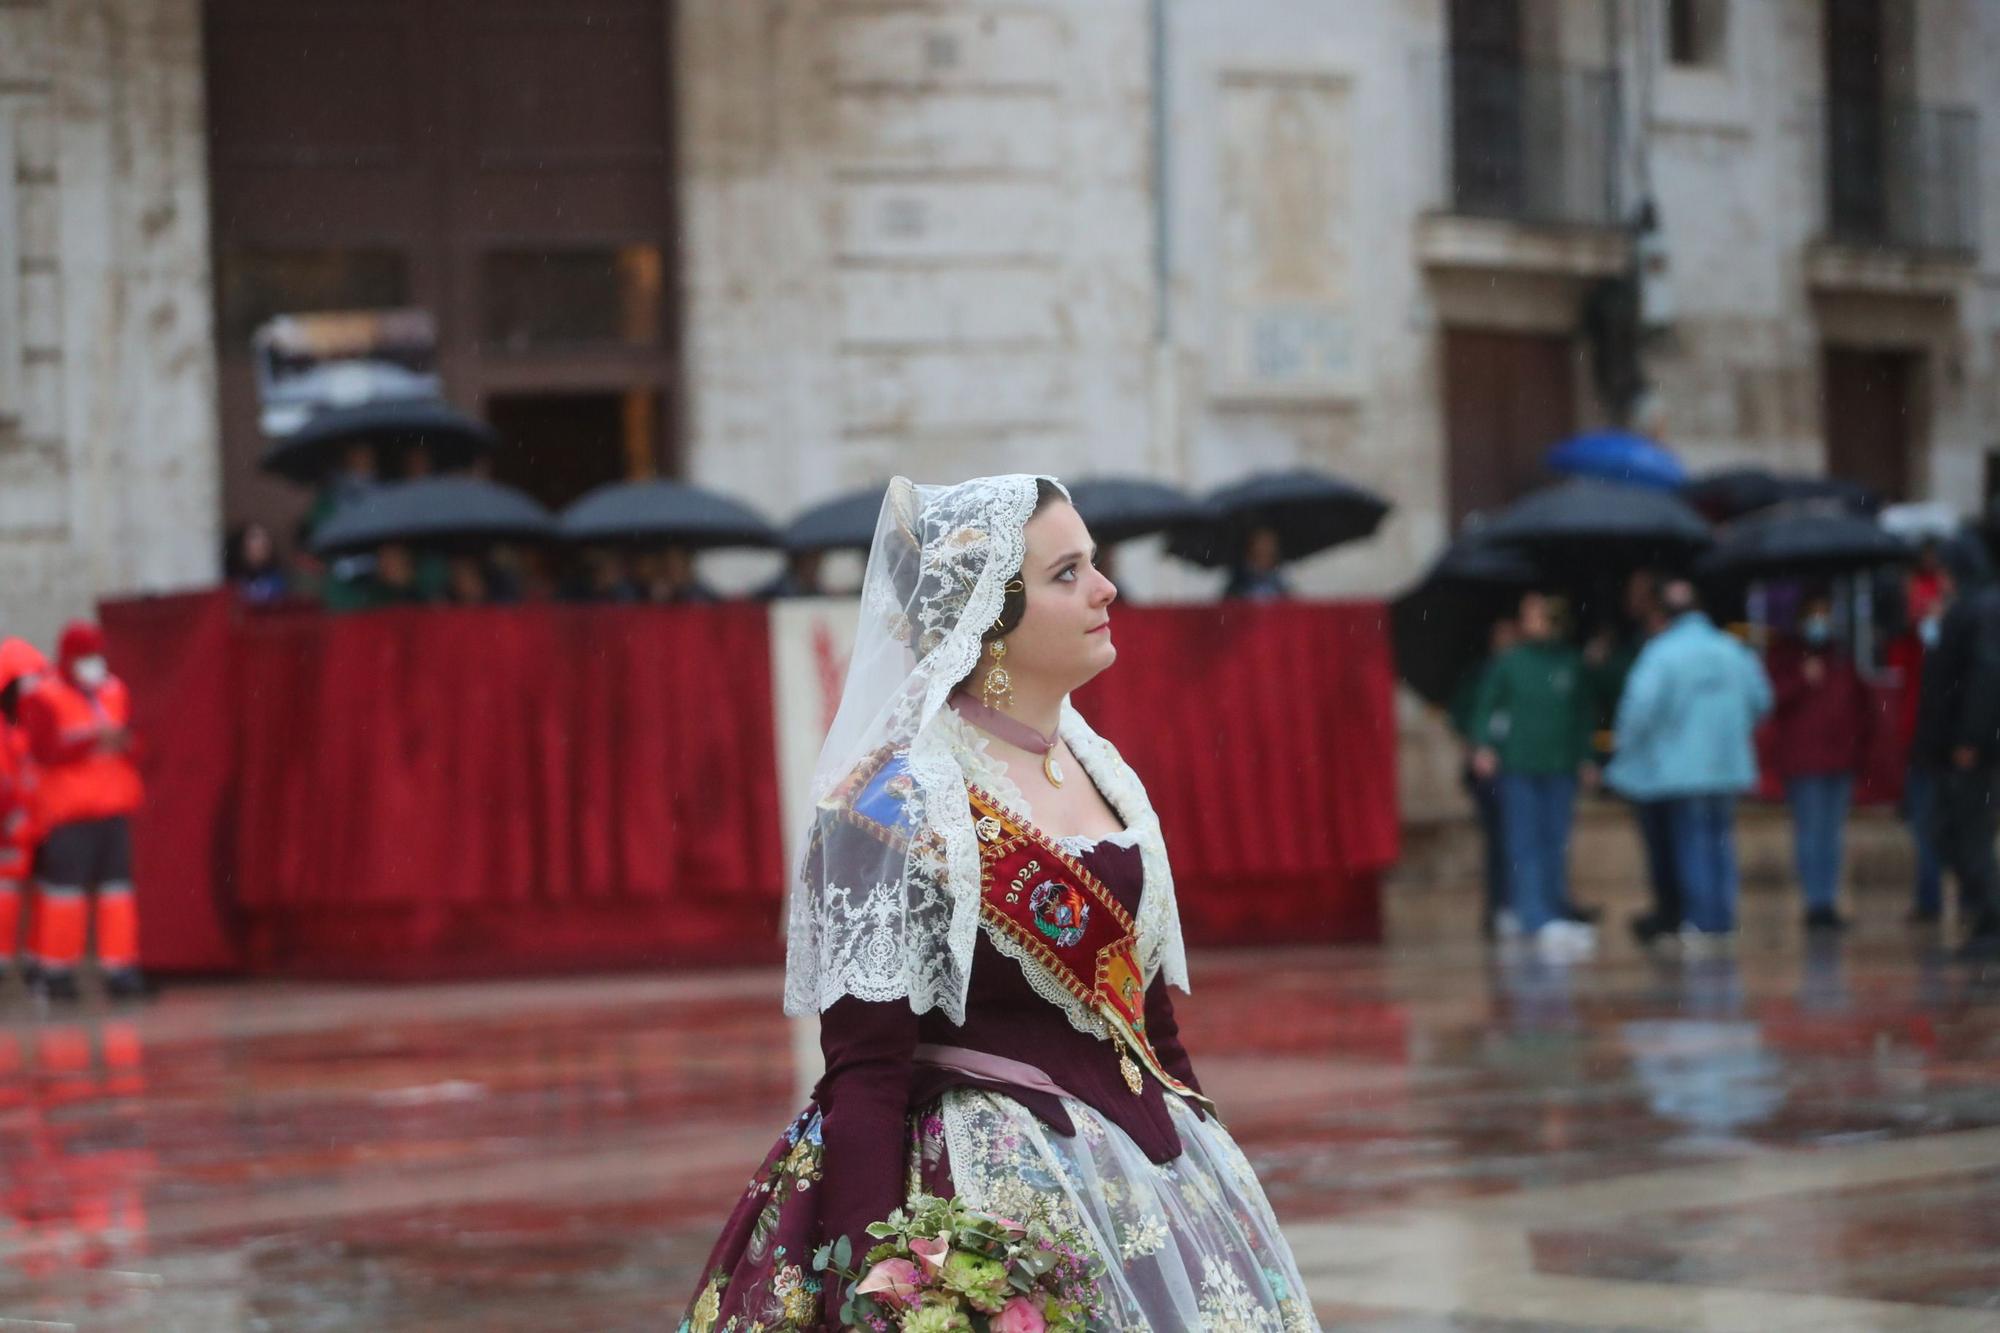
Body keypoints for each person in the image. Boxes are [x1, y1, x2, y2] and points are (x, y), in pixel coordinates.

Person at [678, 476, 1320, 1330]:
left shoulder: (1102, 769)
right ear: (989, 619)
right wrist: (877, 1292)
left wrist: (1211, 1177)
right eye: (1068, 573)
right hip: (989, 1195)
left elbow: (1146, 1024)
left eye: (1095, 563)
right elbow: (865, 1074)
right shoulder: (892, 802)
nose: (1106, 588)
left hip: (1145, 1174)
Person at [1607, 580, 1772, 951]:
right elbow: (1762, 699)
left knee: (1691, 845)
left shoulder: (1661, 653)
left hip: (1676, 771)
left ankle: (1700, 922)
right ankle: (1720, 919)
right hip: (1726, 767)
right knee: (1718, 843)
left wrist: (1626, 753)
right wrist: (1731, 731)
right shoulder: (1732, 649)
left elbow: (1638, 710)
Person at [1468, 591, 1599, 959]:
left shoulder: (1572, 664)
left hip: (1559, 765)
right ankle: (1534, 916)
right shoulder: (1511, 663)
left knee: (1556, 841)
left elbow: (1583, 714)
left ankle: (1556, 909)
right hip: (1519, 765)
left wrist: (1586, 757)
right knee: (1522, 841)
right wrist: (1484, 746)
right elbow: (1487, 705)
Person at [19, 623, 146, 1000]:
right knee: (64, 898)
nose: (95, 663)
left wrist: (124, 744)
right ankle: (56, 974)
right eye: (87, 656)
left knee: (116, 895)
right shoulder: (44, 696)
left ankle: (120, 970)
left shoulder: (114, 690)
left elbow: (133, 742)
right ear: (70, 658)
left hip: (113, 809)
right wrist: (92, 742)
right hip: (69, 813)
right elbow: (42, 752)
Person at [1910, 528, 2000, 956]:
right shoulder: (1969, 608)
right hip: (1956, 745)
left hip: (1971, 748)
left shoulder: (1980, 609)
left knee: (1966, 835)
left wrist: (1971, 738)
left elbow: (1985, 676)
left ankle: (1990, 921)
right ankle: (1985, 917)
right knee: (1950, 832)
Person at [1768, 595, 1875, 932]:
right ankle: (1815, 902)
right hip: (1804, 762)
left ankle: (1827, 900)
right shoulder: (1786, 659)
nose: (1819, 623)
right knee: (1811, 833)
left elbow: (1862, 709)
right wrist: (1801, 679)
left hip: (1839, 760)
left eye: (1824, 615)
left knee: (1831, 835)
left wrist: (1858, 750)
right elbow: (1771, 699)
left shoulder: (1841, 660)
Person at [1450, 615, 1518, 938]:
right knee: (1499, 842)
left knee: (1521, 842)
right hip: (1489, 773)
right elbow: (1462, 716)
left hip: (1520, 767)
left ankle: (1519, 904)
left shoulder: (1523, 674)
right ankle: (1499, 908)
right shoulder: (1480, 676)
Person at [0, 638, 48, 983]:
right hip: (11, 823)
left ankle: (37, 962)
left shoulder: (40, 724)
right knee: (8, 894)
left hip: (43, 819)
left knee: (44, 894)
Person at [224, 523, 289, 605]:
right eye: (254, 538)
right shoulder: (230, 581)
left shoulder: (277, 581)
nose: (262, 543)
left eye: (264, 545)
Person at [1223, 525, 1292, 600]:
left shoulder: (1284, 581)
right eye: (1261, 545)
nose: (1265, 549)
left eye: (1269, 546)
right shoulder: (1237, 582)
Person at [756, 549, 827, 601]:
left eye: (817, 563)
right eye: (811, 562)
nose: (815, 568)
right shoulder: (772, 594)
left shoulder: (818, 593)